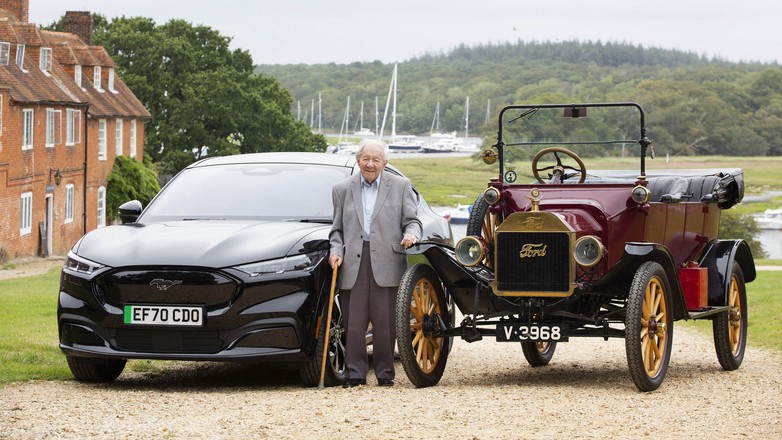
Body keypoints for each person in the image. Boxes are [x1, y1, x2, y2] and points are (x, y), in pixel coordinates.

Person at [329, 139, 422, 387]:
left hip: (388, 261)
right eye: (365, 159)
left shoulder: (402, 186)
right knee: (353, 322)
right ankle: (354, 374)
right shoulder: (342, 189)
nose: (370, 164)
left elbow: (413, 221)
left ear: (385, 163)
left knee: (385, 323)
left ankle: (385, 374)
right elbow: (336, 230)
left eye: (376, 160)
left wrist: (411, 235)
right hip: (353, 262)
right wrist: (336, 250)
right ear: (358, 160)